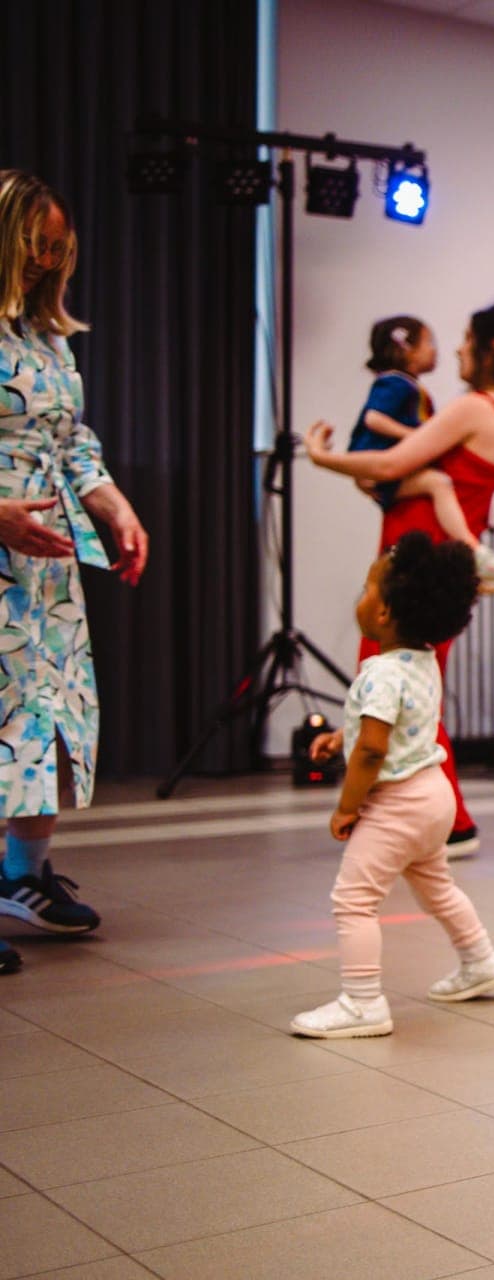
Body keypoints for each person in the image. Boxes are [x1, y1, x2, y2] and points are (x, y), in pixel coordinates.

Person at [306, 297, 494, 860]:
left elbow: (392, 465)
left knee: (395, 688)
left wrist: (323, 458)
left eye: (466, 339)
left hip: (419, 568)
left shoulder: (474, 407)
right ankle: (434, 819)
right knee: (413, 692)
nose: (457, 349)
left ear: (490, 348)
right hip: (431, 562)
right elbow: (408, 476)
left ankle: (444, 823)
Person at [0, 171, 149, 976]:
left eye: (57, 251)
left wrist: (112, 504)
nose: (45, 263)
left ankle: (22, 879)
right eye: (34, 247)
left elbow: (72, 441)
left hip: (44, 563)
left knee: (45, 717)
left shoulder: (48, 339)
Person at [291, 533, 494, 1038]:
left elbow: (373, 750)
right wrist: (339, 736)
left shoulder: (377, 674)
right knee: (436, 884)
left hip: (396, 804)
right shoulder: (423, 659)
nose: (360, 600)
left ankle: (363, 1002)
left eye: (366, 590)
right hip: (433, 794)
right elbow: (396, 725)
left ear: (385, 614)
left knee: (353, 899)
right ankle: (481, 958)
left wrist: (348, 806)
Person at [348, 315, 494, 591]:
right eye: (429, 342)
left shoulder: (411, 388)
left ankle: (471, 555)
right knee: (438, 483)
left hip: (394, 488)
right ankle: (472, 551)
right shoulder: (395, 384)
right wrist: (417, 439)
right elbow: (374, 419)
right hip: (384, 474)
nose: (443, 350)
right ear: (406, 350)